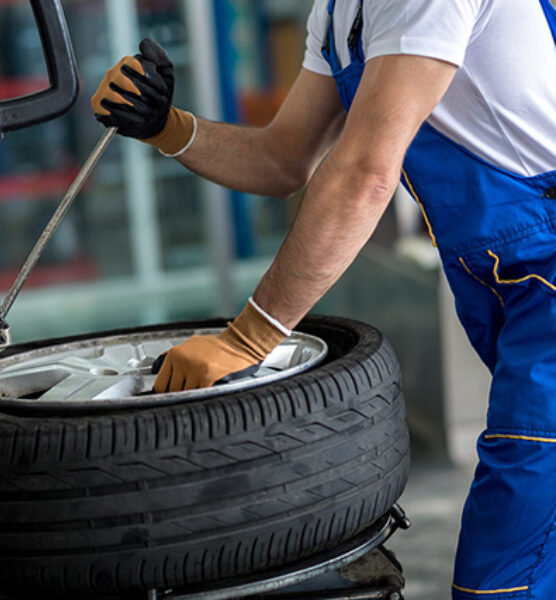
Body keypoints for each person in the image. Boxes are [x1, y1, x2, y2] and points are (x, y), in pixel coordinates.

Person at [91, 0, 556, 597]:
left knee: (505, 565)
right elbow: (284, 158)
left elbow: (365, 170)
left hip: (543, 273)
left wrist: (250, 336)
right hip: (508, 282)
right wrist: (166, 126)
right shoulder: (338, 14)